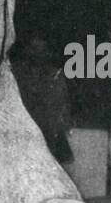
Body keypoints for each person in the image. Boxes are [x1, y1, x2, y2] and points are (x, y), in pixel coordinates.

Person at [11, 34, 74, 164]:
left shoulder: (54, 75)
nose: (37, 53)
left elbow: (62, 105)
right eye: (34, 48)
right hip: (28, 130)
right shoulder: (19, 73)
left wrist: (63, 127)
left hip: (48, 131)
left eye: (41, 49)